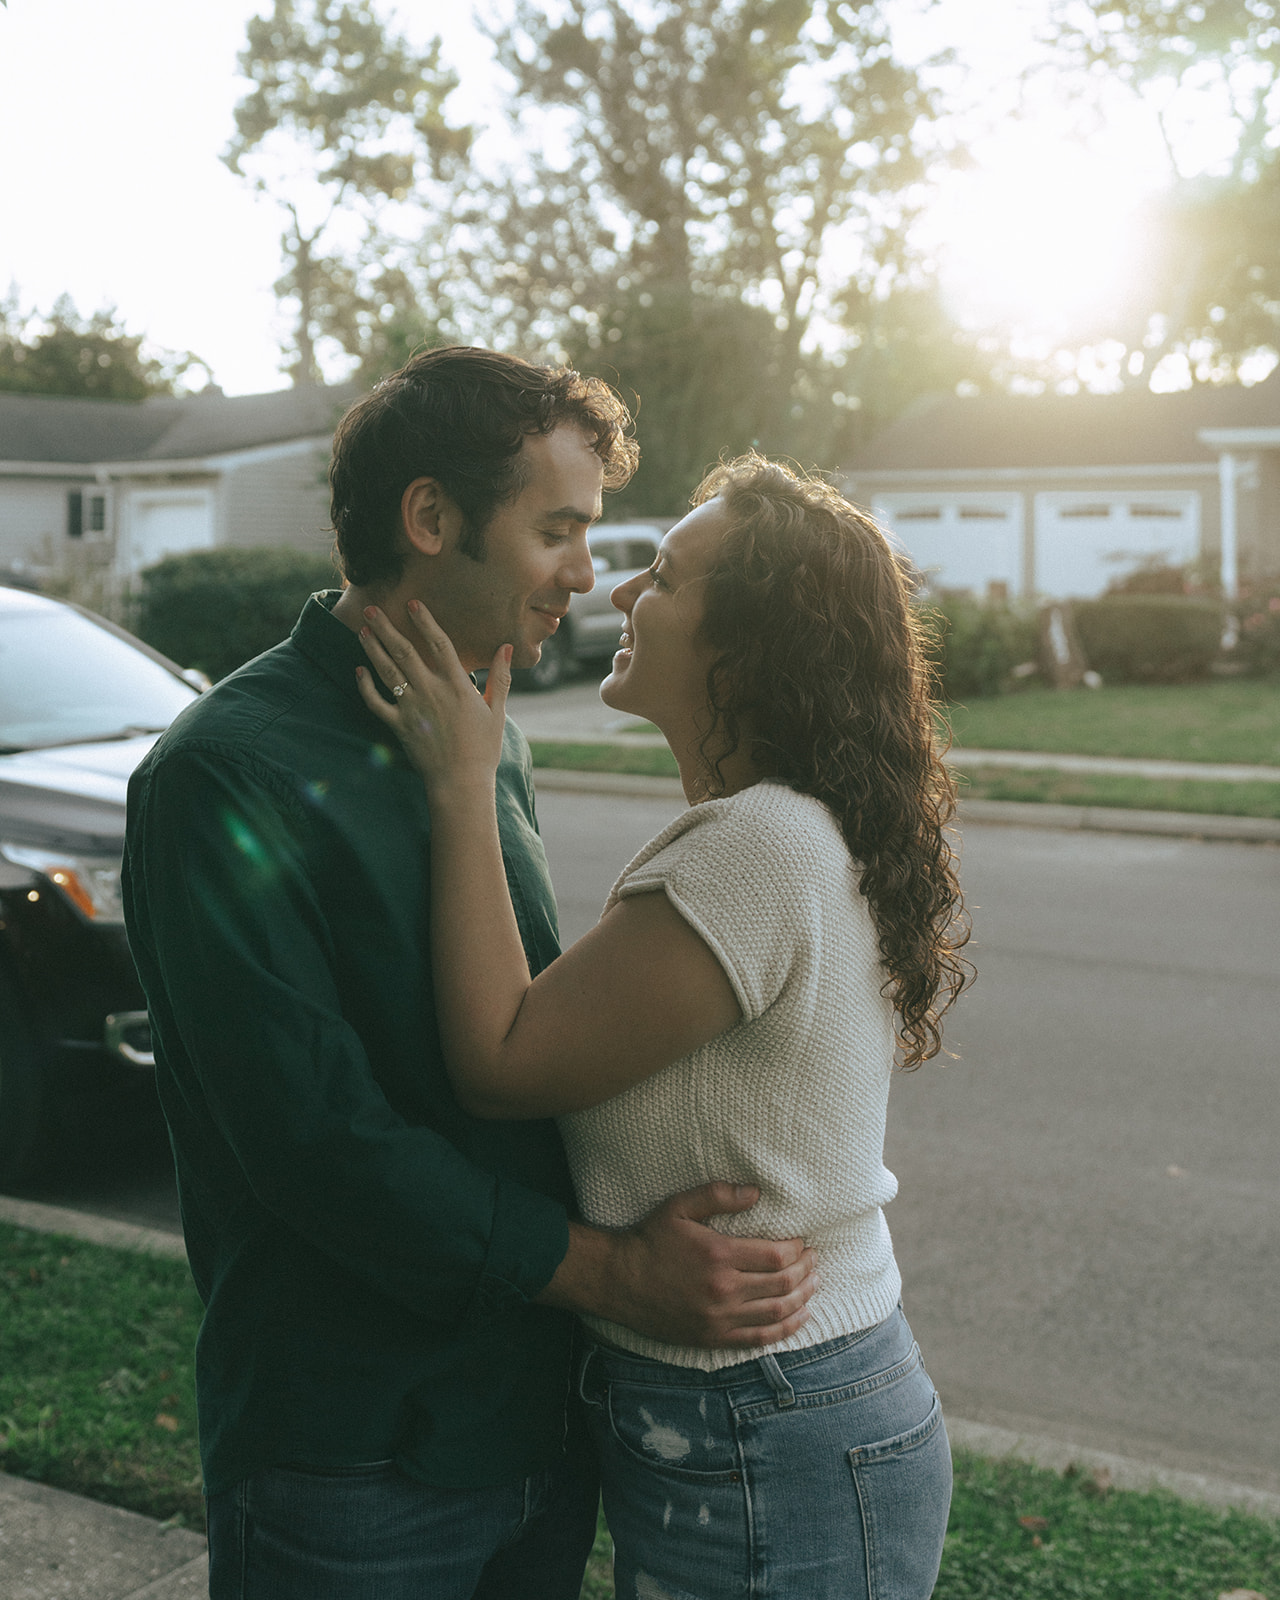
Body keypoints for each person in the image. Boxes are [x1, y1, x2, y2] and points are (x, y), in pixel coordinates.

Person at [121, 350, 819, 1600]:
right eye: (556, 529)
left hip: (536, 1429)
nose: (586, 573)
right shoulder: (221, 775)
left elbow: (524, 1042)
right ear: (431, 518)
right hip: (351, 1455)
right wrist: (613, 1273)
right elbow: (312, 1141)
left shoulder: (484, 741)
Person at [357, 451, 973, 1600]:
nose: (619, 593)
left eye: (665, 577)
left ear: (748, 643)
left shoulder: (756, 848)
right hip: (757, 1408)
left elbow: (502, 1059)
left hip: (763, 1416)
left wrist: (459, 784)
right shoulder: (780, 832)